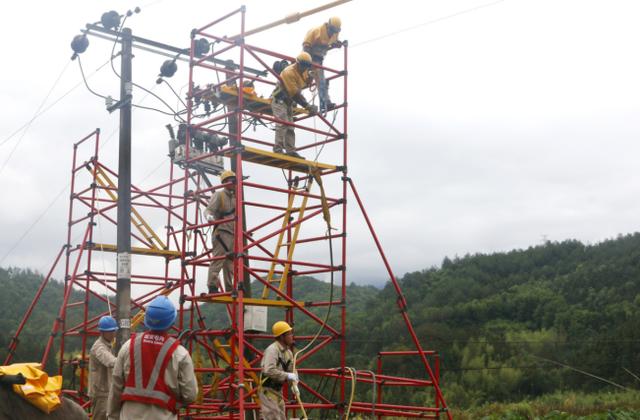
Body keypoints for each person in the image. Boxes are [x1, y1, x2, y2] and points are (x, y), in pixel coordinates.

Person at [107, 296, 198, 420]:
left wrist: (112, 416)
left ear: (146, 319)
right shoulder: (180, 354)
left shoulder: (128, 346)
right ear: (171, 322)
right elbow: (190, 395)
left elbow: (116, 386)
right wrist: (172, 402)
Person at [271, 52, 317, 158]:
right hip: (279, 100)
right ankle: (278, 148)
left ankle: (290, 150)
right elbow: (295, 94)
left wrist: (310, 78)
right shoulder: (289, 72)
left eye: (307, 66)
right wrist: (307, 106)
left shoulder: (304, 71)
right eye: (303, 65)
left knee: (290, 126)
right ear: (298, 63)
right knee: (282, 123)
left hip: (288, 102)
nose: (304, 68)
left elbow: (304, 82)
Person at [259, 321, 298, 420]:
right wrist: (287, 376)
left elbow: (292, 370)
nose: (292, 336)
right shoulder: (272, 350)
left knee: (281, 417)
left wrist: (294, 384)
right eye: (289, 334)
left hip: (277, 392)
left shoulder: (288, 352)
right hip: (268, 390)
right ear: (281, 337)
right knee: (273, 417)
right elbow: (269, 370)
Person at [204, 170, 236, 294]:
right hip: (221, 232)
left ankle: (229, 288)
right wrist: (209, 217)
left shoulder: (235, 197)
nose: (234, 183)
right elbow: (208, 210)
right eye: (232, 180)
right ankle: (212, 286)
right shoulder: (219, 195)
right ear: (225, 182)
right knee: (218, 259)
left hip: (232, 233)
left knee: (229, 263)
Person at [303, 16, 342, 113]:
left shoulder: (334, 34)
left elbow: (330, 44)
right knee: (305, 79)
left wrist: (336, 45)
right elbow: (306, 46)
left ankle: (326, 102)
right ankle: (325, 103)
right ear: (328, 25)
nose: (333, 33)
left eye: (335, 31)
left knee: (321, 81)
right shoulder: (316, 31)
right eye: (332, 30)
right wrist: (309, 63)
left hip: (319, 59)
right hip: (308, 58)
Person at [88, 315, 118, 420]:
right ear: (102, 332)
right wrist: (125, 359)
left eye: (114, 330)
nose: (113, 333)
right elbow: (110, 361)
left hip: (106, 390)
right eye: (110, 331)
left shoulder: (108, 345)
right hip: (101, 393)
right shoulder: (99, 347)